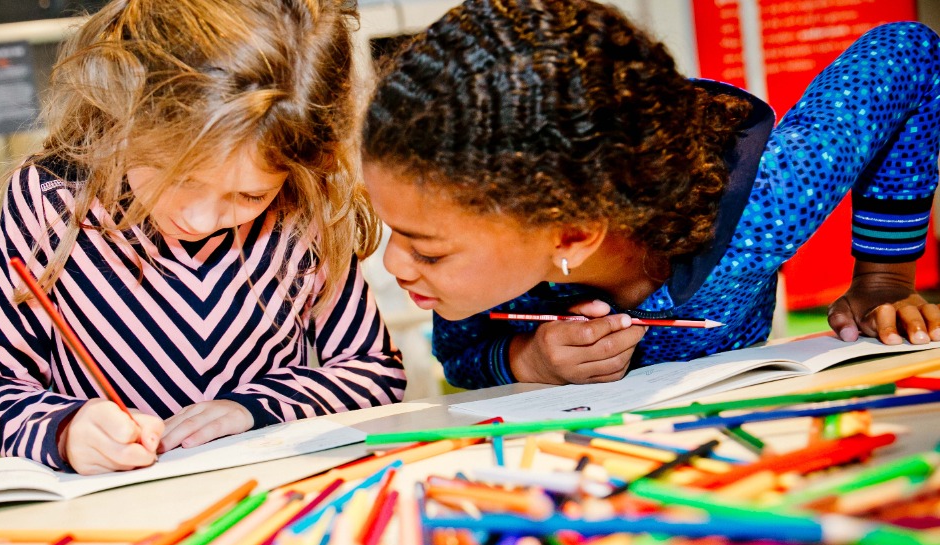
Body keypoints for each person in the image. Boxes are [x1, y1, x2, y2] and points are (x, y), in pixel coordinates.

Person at [360, 0, 940, 390]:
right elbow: (461, 358)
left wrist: (882, 279)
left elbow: (907, 52)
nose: (392, 263)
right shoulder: (487, 257)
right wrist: (527, 360)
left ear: (570, 235)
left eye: (427, 250)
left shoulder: (765, 205)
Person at [0, 0, 405, 474]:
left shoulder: (304, 202)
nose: (198, 220)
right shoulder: (49, 200)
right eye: (180, 179)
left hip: (273, 497)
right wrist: (67, 430)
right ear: (127, 116)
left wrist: (255, 409)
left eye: (249, 195)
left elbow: (374, 370)